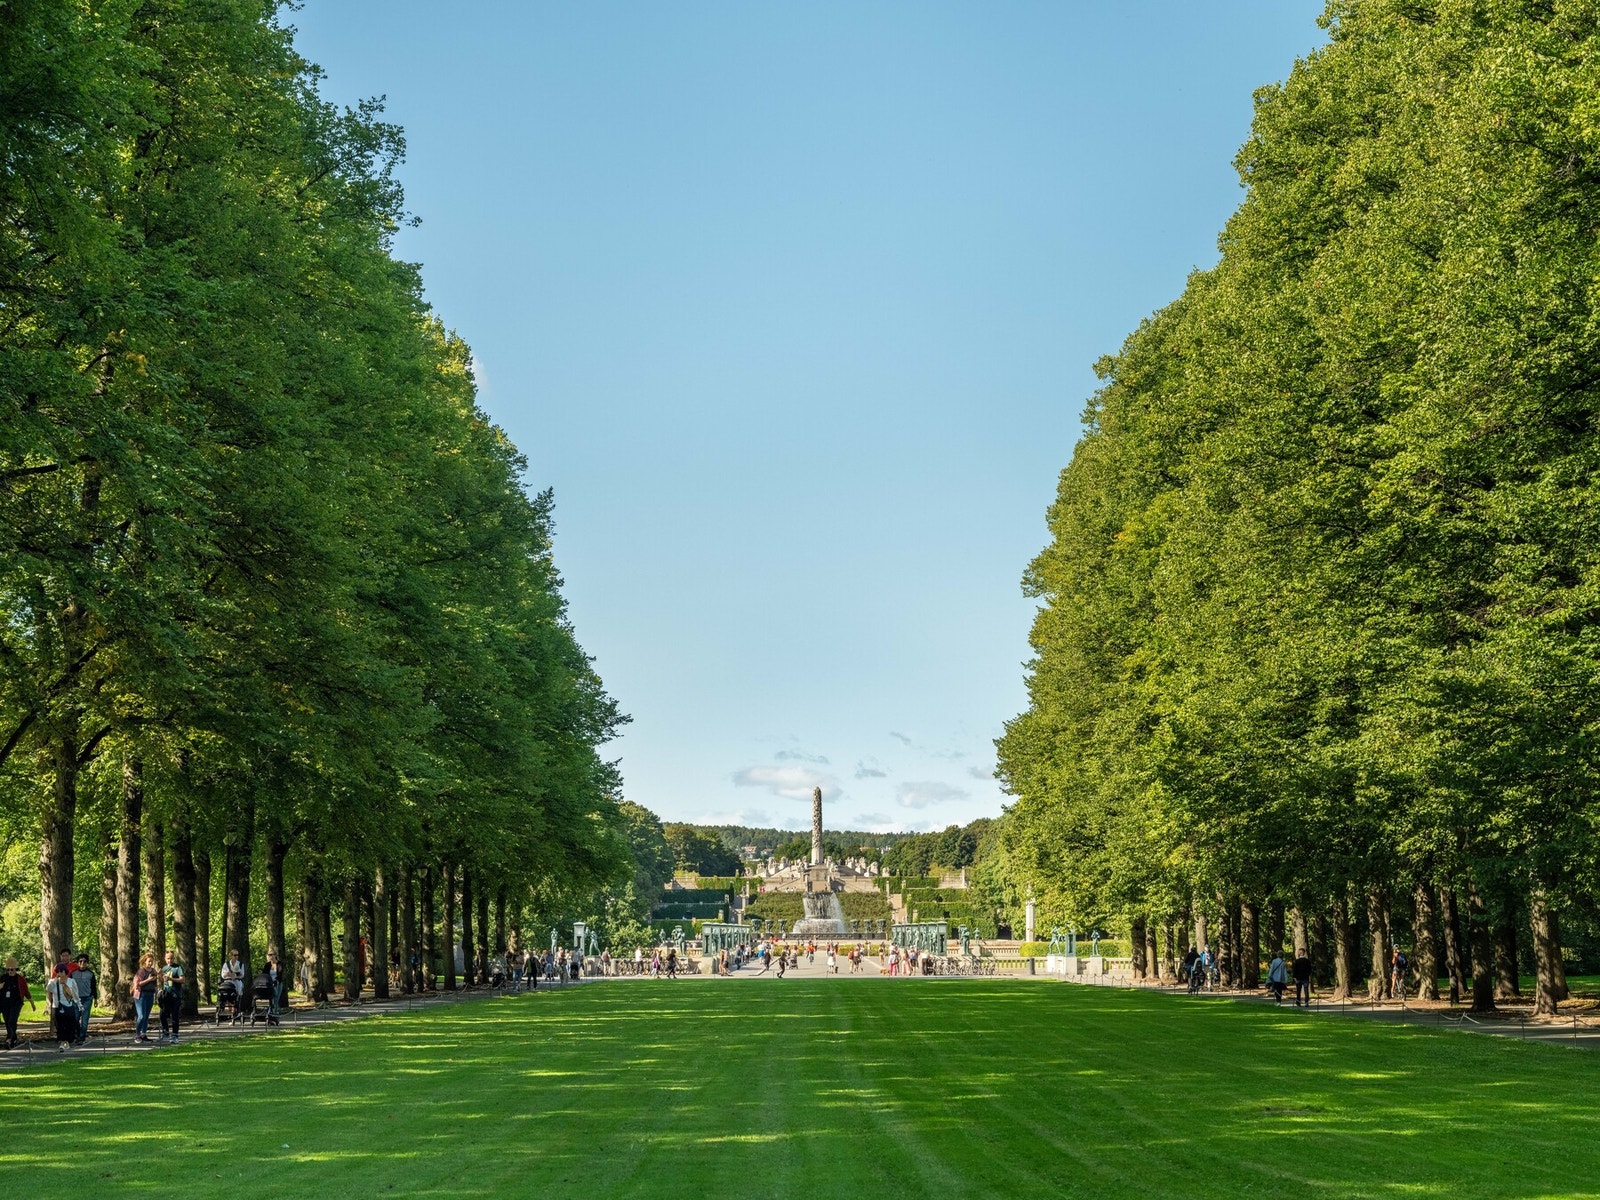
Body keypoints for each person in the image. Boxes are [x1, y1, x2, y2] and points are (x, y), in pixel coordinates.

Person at [0, 957, 36, 1048]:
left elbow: (26, 991)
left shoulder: (20, 979)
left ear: (16, 969)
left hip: (16, 1002)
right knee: (7, 1021)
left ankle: (9, 1039)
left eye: (12, 969)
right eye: (8, 969)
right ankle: (14, 1038)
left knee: (12, 1020)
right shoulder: (3, 978)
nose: (10, 971)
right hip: (5, 1003)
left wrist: (32, 1002)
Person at [45, 965, 78, 1050]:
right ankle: (63, 1042)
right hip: (57, 1006)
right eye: (58, 971)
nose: (60, 973)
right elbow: (49, 989)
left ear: (65, 972)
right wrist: (56, 979)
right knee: (60, 1025)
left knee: (69, 1025)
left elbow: (76, 994)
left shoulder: (71, 981)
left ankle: (67, 1041)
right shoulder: (53, 982)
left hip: (69, 1006)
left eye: (62, 971)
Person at [69, 952, 96, 1045]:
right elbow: (69, 986)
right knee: (75, 1018)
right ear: (77, 962)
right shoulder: (73, 974)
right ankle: (77, 1034)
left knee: (85, 1019)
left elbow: (93, 987)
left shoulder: (90, 974)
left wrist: (94, 997)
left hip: (87, 999)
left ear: (87, 963)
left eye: (84, 961)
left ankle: (82, 1037)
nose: (82, 963)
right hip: (76, 999)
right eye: (80, 961)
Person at [158, 950, 185, 1044]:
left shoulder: (178, 968)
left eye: (171, 958)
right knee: (162, 1015)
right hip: (166, 995)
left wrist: (171, 979)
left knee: (175, 1016)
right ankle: (165, 1033)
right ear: (165, 959)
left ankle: (175, 1036)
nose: (170, 960)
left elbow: (182, 980)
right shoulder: (164, 968)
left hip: (176, 995)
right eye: (168, 958)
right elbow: (162, 979)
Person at [131, 953, 157, 1042]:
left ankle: (143, 1034)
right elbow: (137, 984)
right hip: (141, 995)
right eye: (149, 961)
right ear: (144, 961)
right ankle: (137, 1035)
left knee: (146, 1016)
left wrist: (156, 989)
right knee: (141, 1016)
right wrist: (148, 980)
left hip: (150, 994)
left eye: (152, 961)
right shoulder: (141, 971)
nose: (150, 963)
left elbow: (154, 983)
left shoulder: (153, 971)